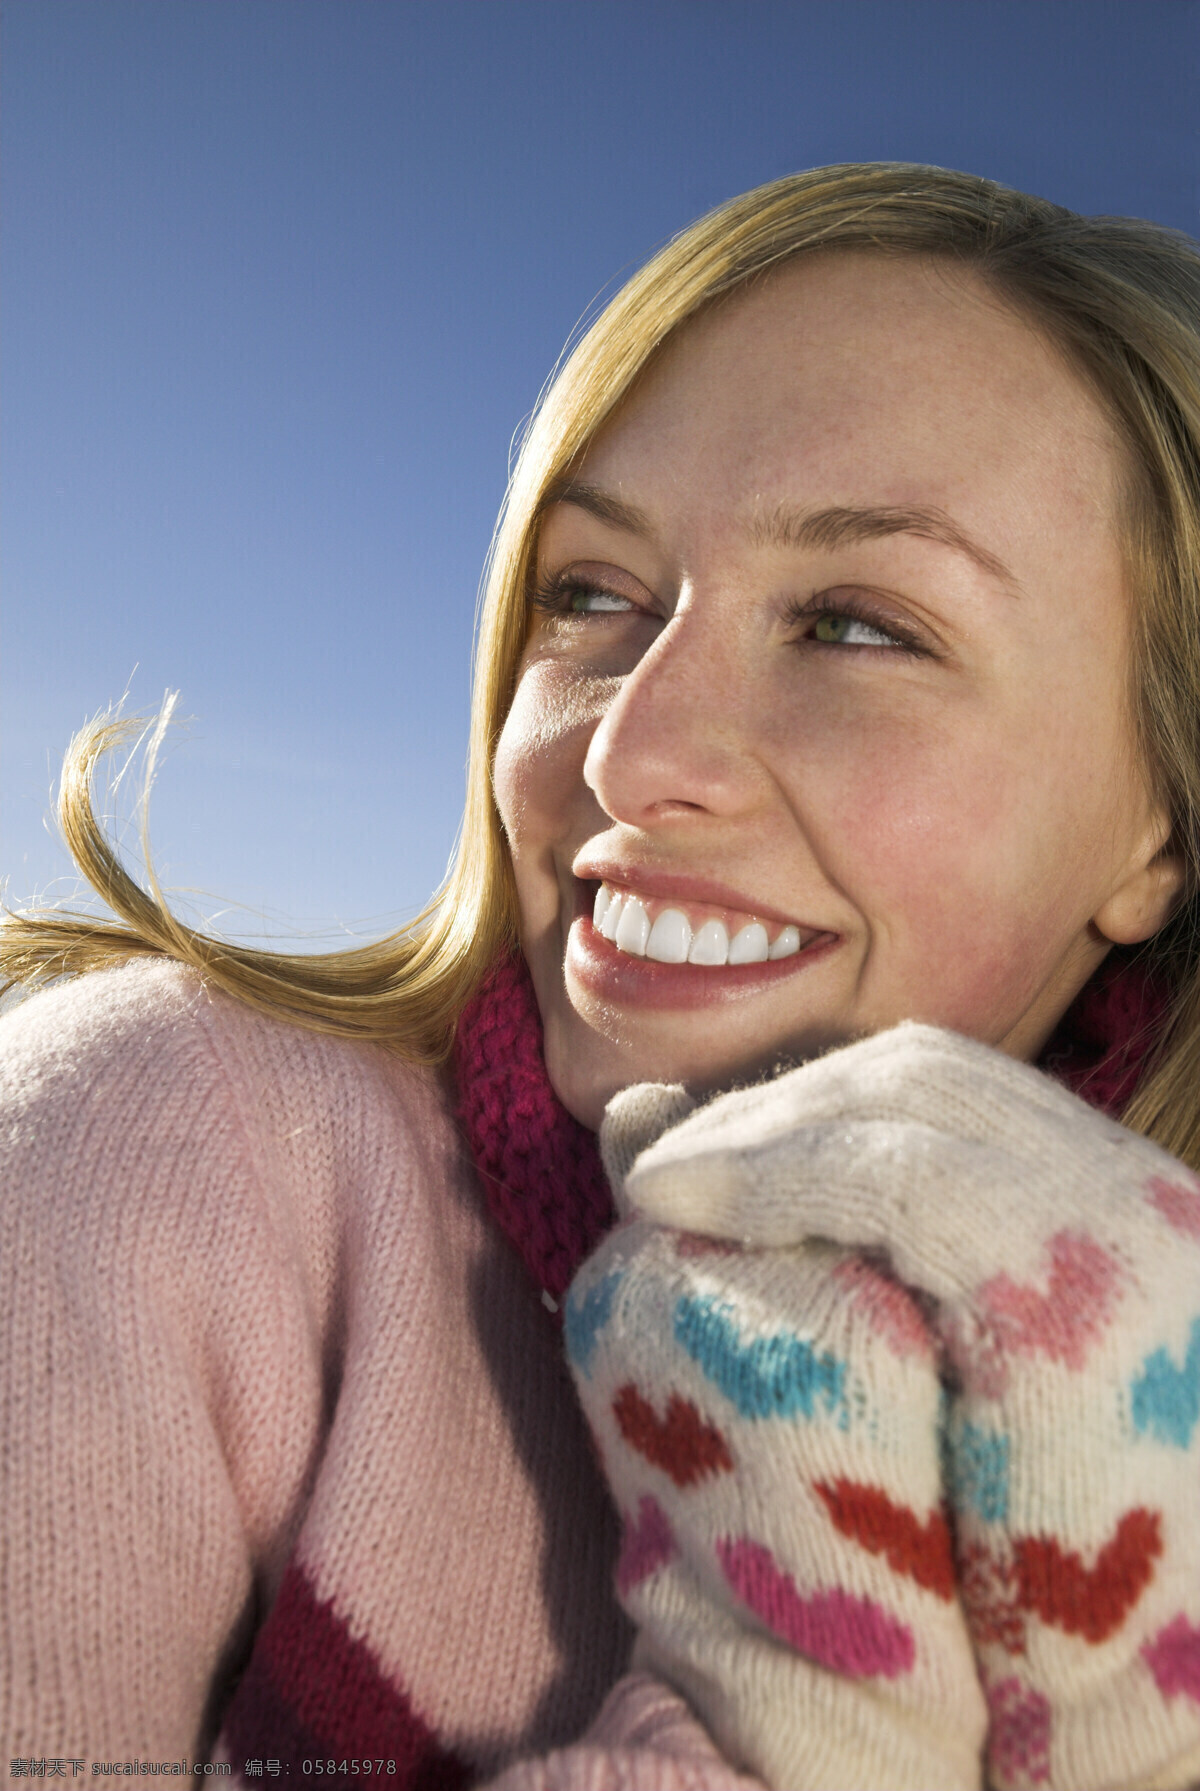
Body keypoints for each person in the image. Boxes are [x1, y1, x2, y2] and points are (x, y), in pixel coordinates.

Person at [3, 161, 1199, 1791]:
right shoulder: (167, 1157)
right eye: (592, 596)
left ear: (1158, 832)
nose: (631, 752)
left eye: (856, 624)